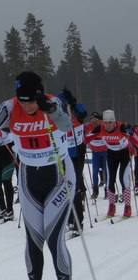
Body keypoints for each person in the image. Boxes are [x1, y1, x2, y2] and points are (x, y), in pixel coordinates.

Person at [0, 70, 75, 280]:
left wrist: (51, 110)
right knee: (33, 239)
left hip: (59, 175)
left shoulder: (52, 103)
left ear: (39, 96)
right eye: (23, 101)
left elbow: (66, 125)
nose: (27, 106)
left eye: (31, 101)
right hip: (29, 176)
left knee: (54, 237)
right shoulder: (10, 107)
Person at [93, 109, 137, 218]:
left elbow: (134, 135)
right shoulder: (100, 128)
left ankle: (127, 206)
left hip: (124, 154)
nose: (108, 125)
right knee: (110, 180)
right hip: (111, 154)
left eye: (110, 122)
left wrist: (131, 133)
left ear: (114, 122)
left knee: (123, 179)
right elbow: (87, 137)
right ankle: (111, 205)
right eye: (105, 123)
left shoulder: (122, 126)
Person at [57, 88, 88, 232]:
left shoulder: (75, 111)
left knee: (73, 186)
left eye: (64, 104)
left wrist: (73, 104)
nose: (63, 107)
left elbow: (83, 113)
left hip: (77, 152)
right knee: (63, 187)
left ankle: (78, 221)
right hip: (62, 154)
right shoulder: (57, 114)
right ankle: (69, 218)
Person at [84, 112, 108, 199]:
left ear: (99, 120)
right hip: (95, 152)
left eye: (96, 120)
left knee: (106, 171)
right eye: (92, 120)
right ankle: (95, 191)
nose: (94, 122)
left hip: (105, 152)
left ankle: (107, 190)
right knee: (94, 172)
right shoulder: (88, 126)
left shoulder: (104, 125)